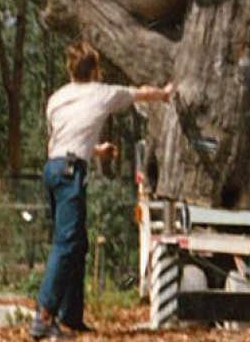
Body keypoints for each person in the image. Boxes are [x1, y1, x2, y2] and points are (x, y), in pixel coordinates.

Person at [32, 40, 173, 340]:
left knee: (77, 244)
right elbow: (141, 93)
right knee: (67, 242)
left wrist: (96, 150)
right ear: (95, 70)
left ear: (70, 70)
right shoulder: (103, 93)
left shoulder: (56, 99)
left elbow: (59, 143)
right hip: (70, 173)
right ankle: (43, 316)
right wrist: (165, 93)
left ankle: (70, 317)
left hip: (54, 169)